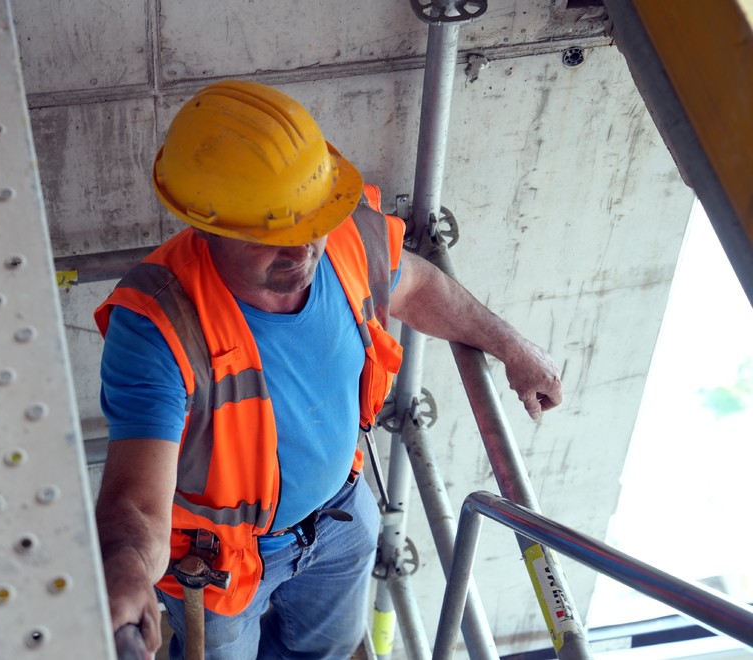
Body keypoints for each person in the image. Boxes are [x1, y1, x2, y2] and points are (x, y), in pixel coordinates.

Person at [93, 80, 562, 659]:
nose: (303, 251)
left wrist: (510, 345)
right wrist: (127, 570)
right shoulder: (157, 325)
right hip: (220, 563)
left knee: (331, 651)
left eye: (308, 226)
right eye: (271, 236)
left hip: (342, 516)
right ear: (209, 224)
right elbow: (136, 503)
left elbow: (415, 286)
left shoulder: (345, 236)